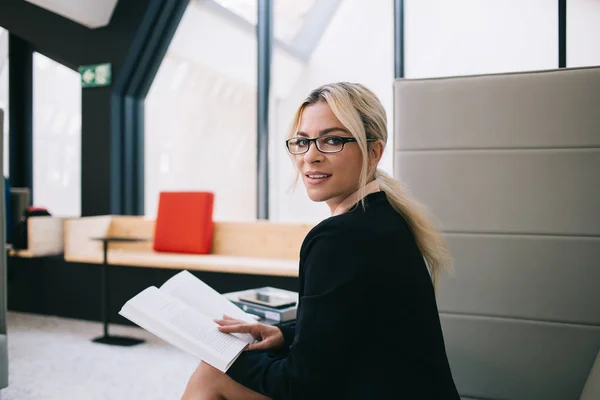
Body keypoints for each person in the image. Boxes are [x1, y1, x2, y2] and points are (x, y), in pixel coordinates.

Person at [181, 82, 460, 399]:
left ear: (374, 151)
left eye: (332, 140)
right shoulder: (388, 217)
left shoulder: (338, 238)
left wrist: (222, 354)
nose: (310, 157)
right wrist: (285, 335)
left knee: (211, 374)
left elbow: (300, 386)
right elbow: (354, 326)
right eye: (302, 141)